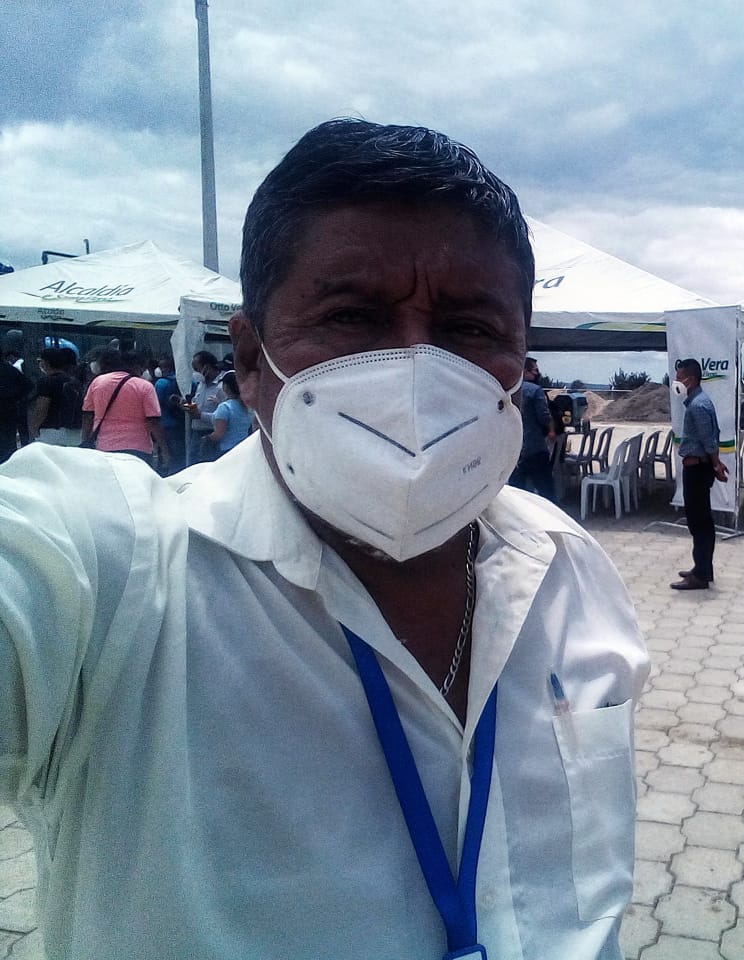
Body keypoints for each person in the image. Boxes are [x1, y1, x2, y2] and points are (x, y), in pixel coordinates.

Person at [0, 118, 648, 959]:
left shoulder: (570, 569)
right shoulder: (116, 575)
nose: (415, 374)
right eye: (352, 317)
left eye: (470, 330)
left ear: (521, 356)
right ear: (250, 361)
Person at [671, 358, 729, 590]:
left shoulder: (698, 406)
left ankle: (701, 576)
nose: (676, 382)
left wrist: (716, 465)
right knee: (700, 521)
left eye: (679, 378)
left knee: (699, 522)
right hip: (697, 467)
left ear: (691, 379)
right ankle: (702, 568)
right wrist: (716, 463)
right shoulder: (699, 401)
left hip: (697, 469)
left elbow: (708, 440)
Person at [79, 348, 169, 469]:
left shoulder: (97, 382)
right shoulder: (145, 386)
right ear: (139, 367)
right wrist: (164, 450)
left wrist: (85, 441)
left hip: (104, 447)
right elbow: (153, 421)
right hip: (138, 448)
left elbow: (87, 416)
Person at [509, 356, 556, 499]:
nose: (537, 374)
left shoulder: (508, 390)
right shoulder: (535, 390)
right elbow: (544, 417)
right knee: (546, 491)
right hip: (535, 447)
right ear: (525, 371)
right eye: (535, 371)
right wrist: (552, 429)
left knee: (516, 493)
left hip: (514, 449)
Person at [27, 346, 84, 448]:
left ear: (45, 362)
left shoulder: (46, 381)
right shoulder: (74, 382)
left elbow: (42, 407)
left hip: (51, 432)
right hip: (75, 432)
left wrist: (34, 427)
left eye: (40, 361)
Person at [183, 349, 226, 464]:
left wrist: (201, 415)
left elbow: (226, 415)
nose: (195, 373)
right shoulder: (201, 385)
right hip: (196, 431)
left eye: (197, 369)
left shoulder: (222, 386)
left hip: (212, 434)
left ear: (207, 367)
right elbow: (196, 403)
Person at [153, 355, 187, 472]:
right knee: (180, 455)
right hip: (182, 423)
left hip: (165, 424)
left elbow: (155, 404)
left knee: (165, 455)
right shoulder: (184, 381)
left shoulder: (161, 383)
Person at [209, 370, 254, 456]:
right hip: (243, 448)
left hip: (226, 450)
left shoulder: (224, 407)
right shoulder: (247, 406)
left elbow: (219, 434)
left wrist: (206, 439)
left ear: (225, 387)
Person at [0, 345, 32, 463]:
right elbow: (28, 386)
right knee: (8, 444)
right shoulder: (10, 370)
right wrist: (14, 398)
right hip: (9, 412)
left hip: (8, 412)